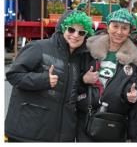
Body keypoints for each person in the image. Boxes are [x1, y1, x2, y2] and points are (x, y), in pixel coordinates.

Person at [5, 10, 94, 142]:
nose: (75, 35)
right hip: (29, 132)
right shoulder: (38, 47)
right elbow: (14, 75)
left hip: (60, 135)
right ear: (62, 29)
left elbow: (67, 92)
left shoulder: (77, 59)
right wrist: (43, 80)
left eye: (81, 32)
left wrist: (83, 80)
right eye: (71, 30)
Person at [79, 8, 137, 142]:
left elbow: (135, 83)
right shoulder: (88, 50)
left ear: (129, 31)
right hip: (86, 117)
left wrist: (133, 94)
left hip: (114, 121)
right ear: (107, 27)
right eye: (115, 26)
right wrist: (83, 79)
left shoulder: (134, 58)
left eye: (124, 28)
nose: (119, 32)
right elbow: (73, 77)